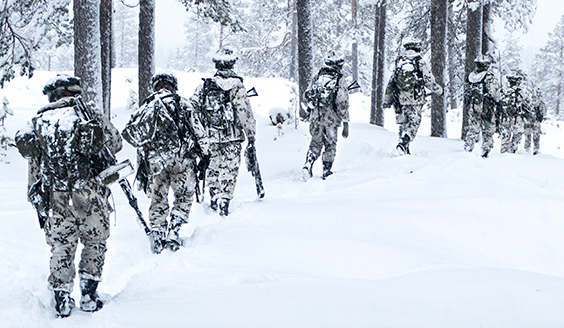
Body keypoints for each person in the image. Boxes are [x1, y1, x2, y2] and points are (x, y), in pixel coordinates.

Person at [14, 75, 122, 317]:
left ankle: (62, 298)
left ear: (52, 96)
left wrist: (35, 197)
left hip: (56, 195)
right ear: (76, 92)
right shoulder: (87, 113)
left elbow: (34, 164)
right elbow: (115, 142)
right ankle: (89, 295)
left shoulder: (39, 121)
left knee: (61, 246)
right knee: (95, 242)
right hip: (90, 192)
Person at [122, 71, 210, 254]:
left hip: (155, 161)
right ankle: (174, 230)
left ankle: (157, 232)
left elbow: (139, 140)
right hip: (182, 159)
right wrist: (205, 155)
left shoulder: (146, 107)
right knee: (184, 195)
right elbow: (199, 132)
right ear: (173, 86)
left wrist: (143, 168)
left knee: (158, 197)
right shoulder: (182, 103)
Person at [190, 47, 257, 216]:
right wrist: (250, 134)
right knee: (230, 169)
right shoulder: (237, 86)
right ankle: (224, 200)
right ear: (232, 63)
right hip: (232, 137)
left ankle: (213, 196)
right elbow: (244, 112)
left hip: (210, 138)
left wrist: (199, 135)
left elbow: (192, 110)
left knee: (213, 168)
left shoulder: (205, 86)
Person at [384, 38, 442, 155]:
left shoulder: (400, 62)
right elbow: (428, 80)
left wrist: (387, 100)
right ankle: (404, 143)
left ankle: (403, 149)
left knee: (403, 123)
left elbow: (391, 82)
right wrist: (439, 90)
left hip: (399, 100)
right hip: (415, 99)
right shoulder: (419, 61)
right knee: (414, 123)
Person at [301, 51, 350, 180]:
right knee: (330, 144)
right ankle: (326, 170)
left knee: (315, 142)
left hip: (315, 116)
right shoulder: (339, 78)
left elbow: (307, 93)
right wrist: (345, 120)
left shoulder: (318, 76)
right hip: (331, 118)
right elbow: (342, 101)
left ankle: (308, 164)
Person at [463, 55, 501, 158]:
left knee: (473, 129)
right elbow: (494, 93)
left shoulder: (471, 77)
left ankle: (467, 148)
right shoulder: (489, 77)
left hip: (473, 106)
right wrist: (498, 101)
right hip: (486, 108)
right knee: (488, 130)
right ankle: (485, 151)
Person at [499, 70, 531, 153]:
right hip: (517, 117)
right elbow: (528, 103)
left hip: (505, 117)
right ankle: (512, 150)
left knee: (505, 135)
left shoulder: (505, 91)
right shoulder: (520, 92)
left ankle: (504, 151)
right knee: (517, 134)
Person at [524, 87, 547, 155]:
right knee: (536, 137)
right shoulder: (540, 103)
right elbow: (544, 112)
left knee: (527, 136)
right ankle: (536, 149)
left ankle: (527, 149)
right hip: (536, 121)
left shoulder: (528, 101)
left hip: (528, 121)